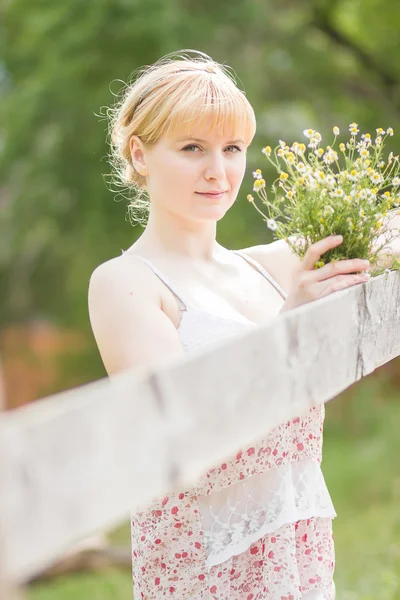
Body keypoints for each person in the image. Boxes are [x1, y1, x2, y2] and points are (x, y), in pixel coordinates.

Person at [88, 50, 371, 599]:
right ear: (141, 155)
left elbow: (389, 229)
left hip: (294, 540)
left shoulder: (272, 265)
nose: (218, 171)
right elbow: (181, 436)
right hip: (206, 560)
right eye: (192, 148)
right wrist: (289, 325)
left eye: (232, 148)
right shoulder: (125, 282)